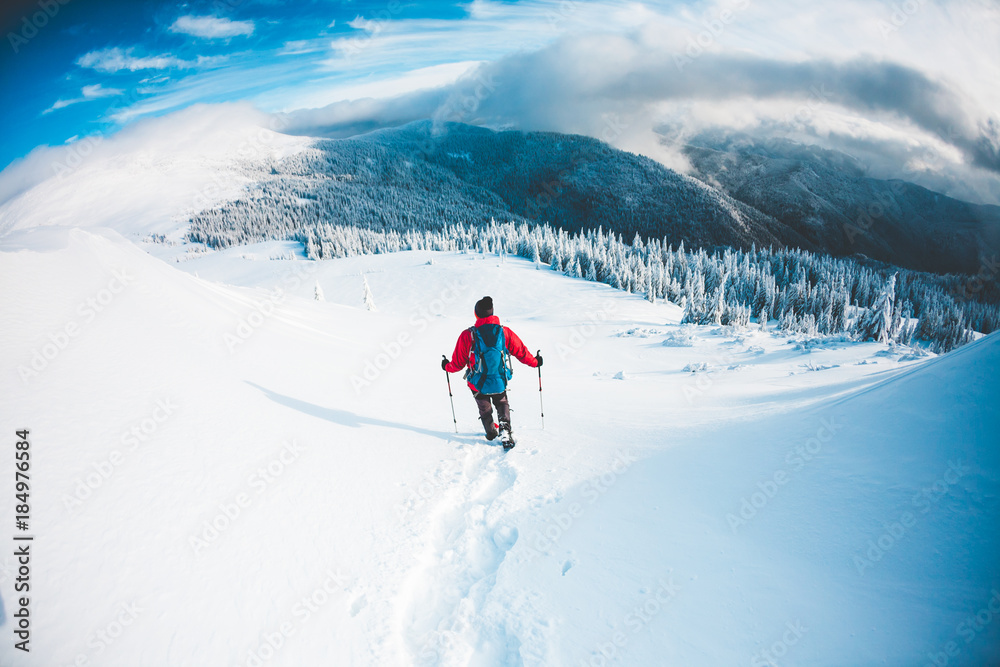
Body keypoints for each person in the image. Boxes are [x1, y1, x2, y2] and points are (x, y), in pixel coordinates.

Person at [442, 296, 542, 446]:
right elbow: (521, 352)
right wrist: (536, 362)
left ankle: (490, 432)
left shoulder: (468, 335)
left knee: (484, 407)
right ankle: (505, 430)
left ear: (476, 314)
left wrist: (446, 366)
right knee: (502, 402)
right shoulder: (504, 332)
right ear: (492, 313)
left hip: (478, 383)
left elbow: (458, 363)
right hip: (499, 380)